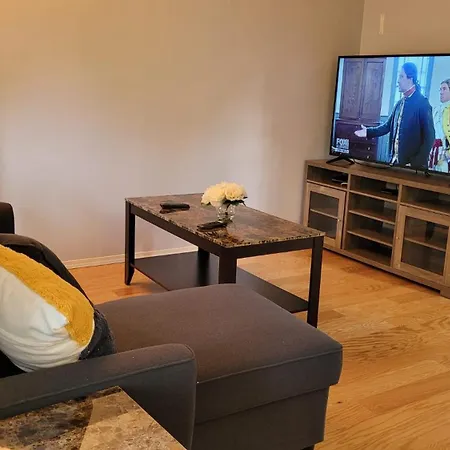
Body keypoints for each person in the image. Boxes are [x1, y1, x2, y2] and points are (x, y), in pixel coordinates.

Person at [355, 62, 435, 169]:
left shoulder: (423, 103)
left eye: (401, 76)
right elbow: (387, 126)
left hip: (413, 169)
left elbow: (430, 137)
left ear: (410, 78)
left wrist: (416, 162)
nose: (398, 80)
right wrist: (368, 132)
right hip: (395, 163)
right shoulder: (399, 103)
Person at [428, 79, 450, 172]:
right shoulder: (436, 109)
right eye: (440, 89)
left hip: (445, 152)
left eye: (444, 89)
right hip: (433, 149)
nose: (441, 92)